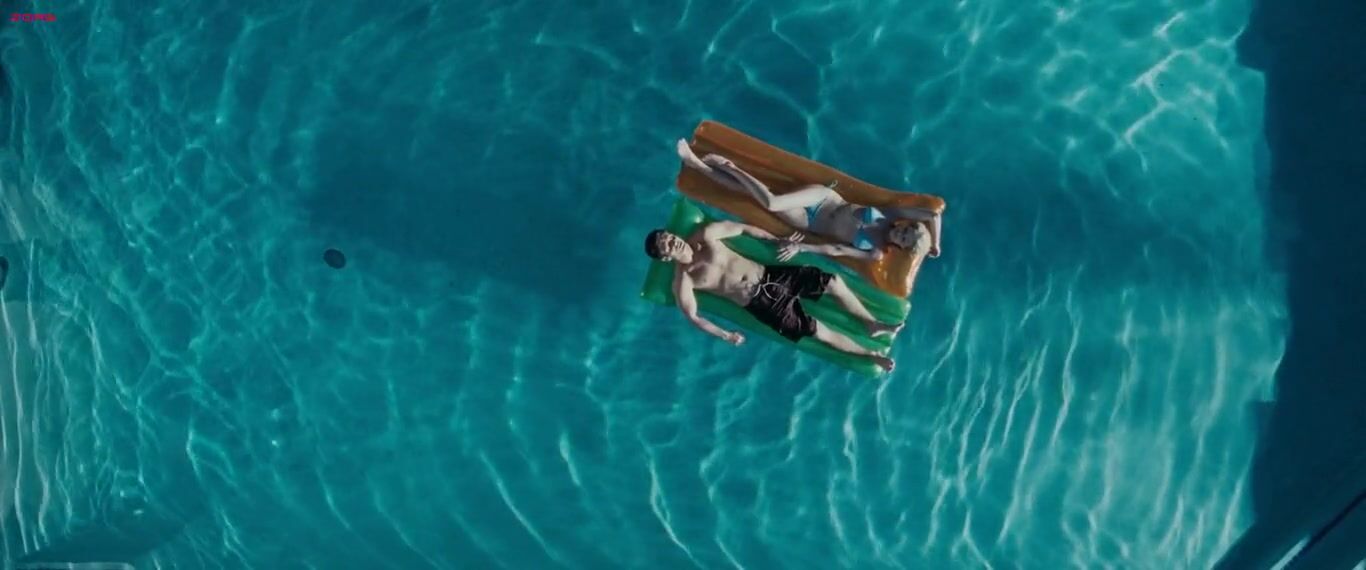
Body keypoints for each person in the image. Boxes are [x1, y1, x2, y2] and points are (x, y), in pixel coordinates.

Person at [644, 220, 900, 372]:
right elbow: (693, 316)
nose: (675, 241)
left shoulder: (707, 233)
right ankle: (871, 355)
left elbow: (743, 229)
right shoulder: (685, 280)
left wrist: (778, 239)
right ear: (666, 258)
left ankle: (872, 323)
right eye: (669, 245)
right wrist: (726, 335)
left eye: (671, 237)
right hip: (762, 304)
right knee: (817, 331)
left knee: (833, 281)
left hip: (772, 275)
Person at [676, 140, 942, 262]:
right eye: (906, 230)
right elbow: (933, 215)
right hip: (825, 198)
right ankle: (728, 166)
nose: (900, 233)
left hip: (809, 222)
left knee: (759, 197)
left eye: (904, 239)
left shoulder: (875, 252)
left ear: (901, 247)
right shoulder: (891, 214)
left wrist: (801, 248)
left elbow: (835, 250)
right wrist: (936, 244)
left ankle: (700, 166)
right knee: (772, 201)